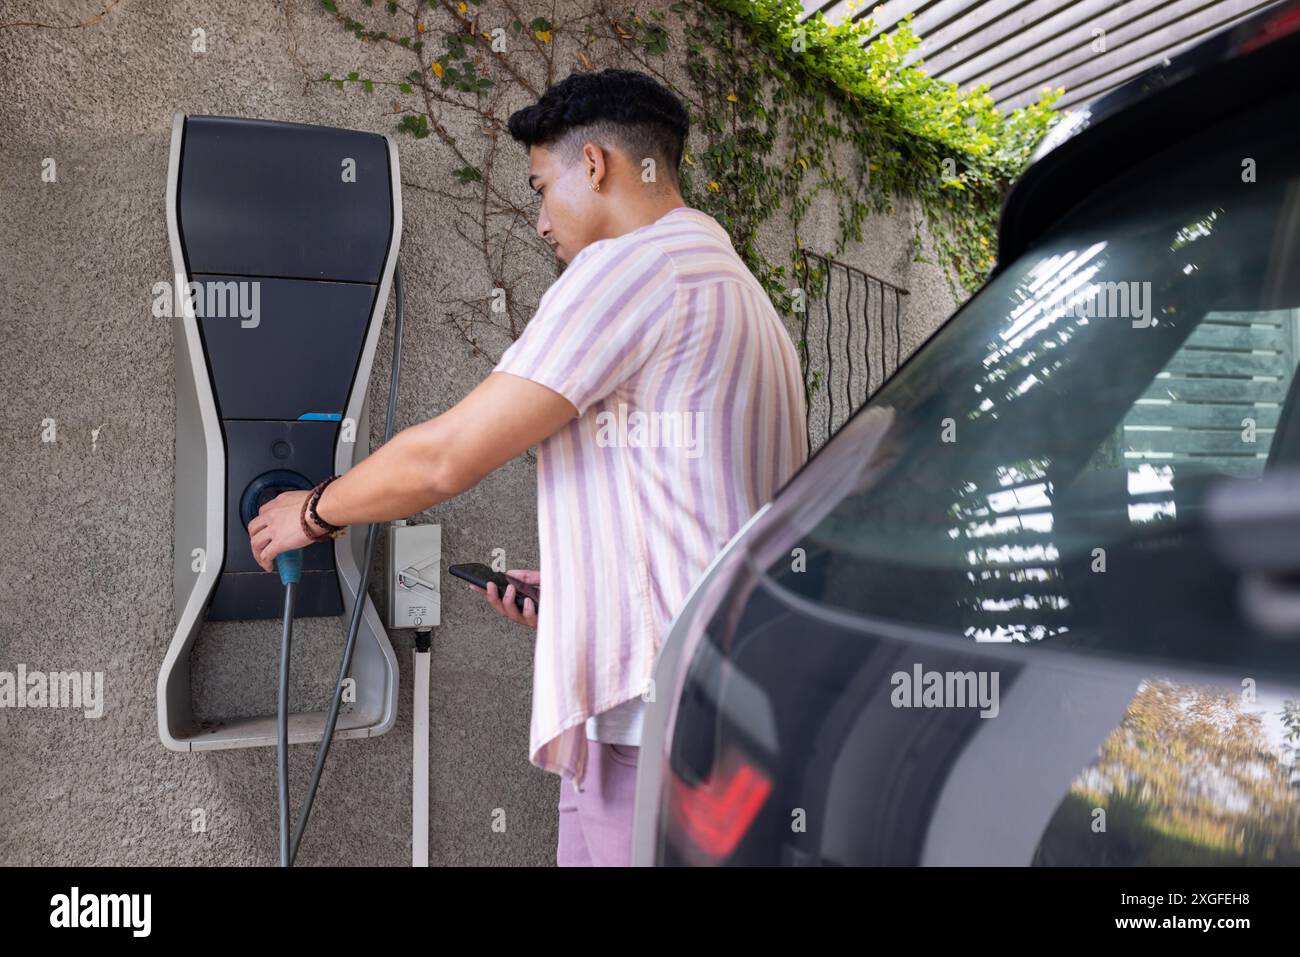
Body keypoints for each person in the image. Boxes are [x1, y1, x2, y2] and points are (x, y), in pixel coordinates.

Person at [247, 67, 808, 866]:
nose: (541, 221)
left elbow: (445, 458)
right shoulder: (735, 288)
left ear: (597, 166)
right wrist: (587, 589)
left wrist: (310, 510)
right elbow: (698, 504)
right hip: (726, 717)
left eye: (543, 188)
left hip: (661, 734)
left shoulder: (630, 270)